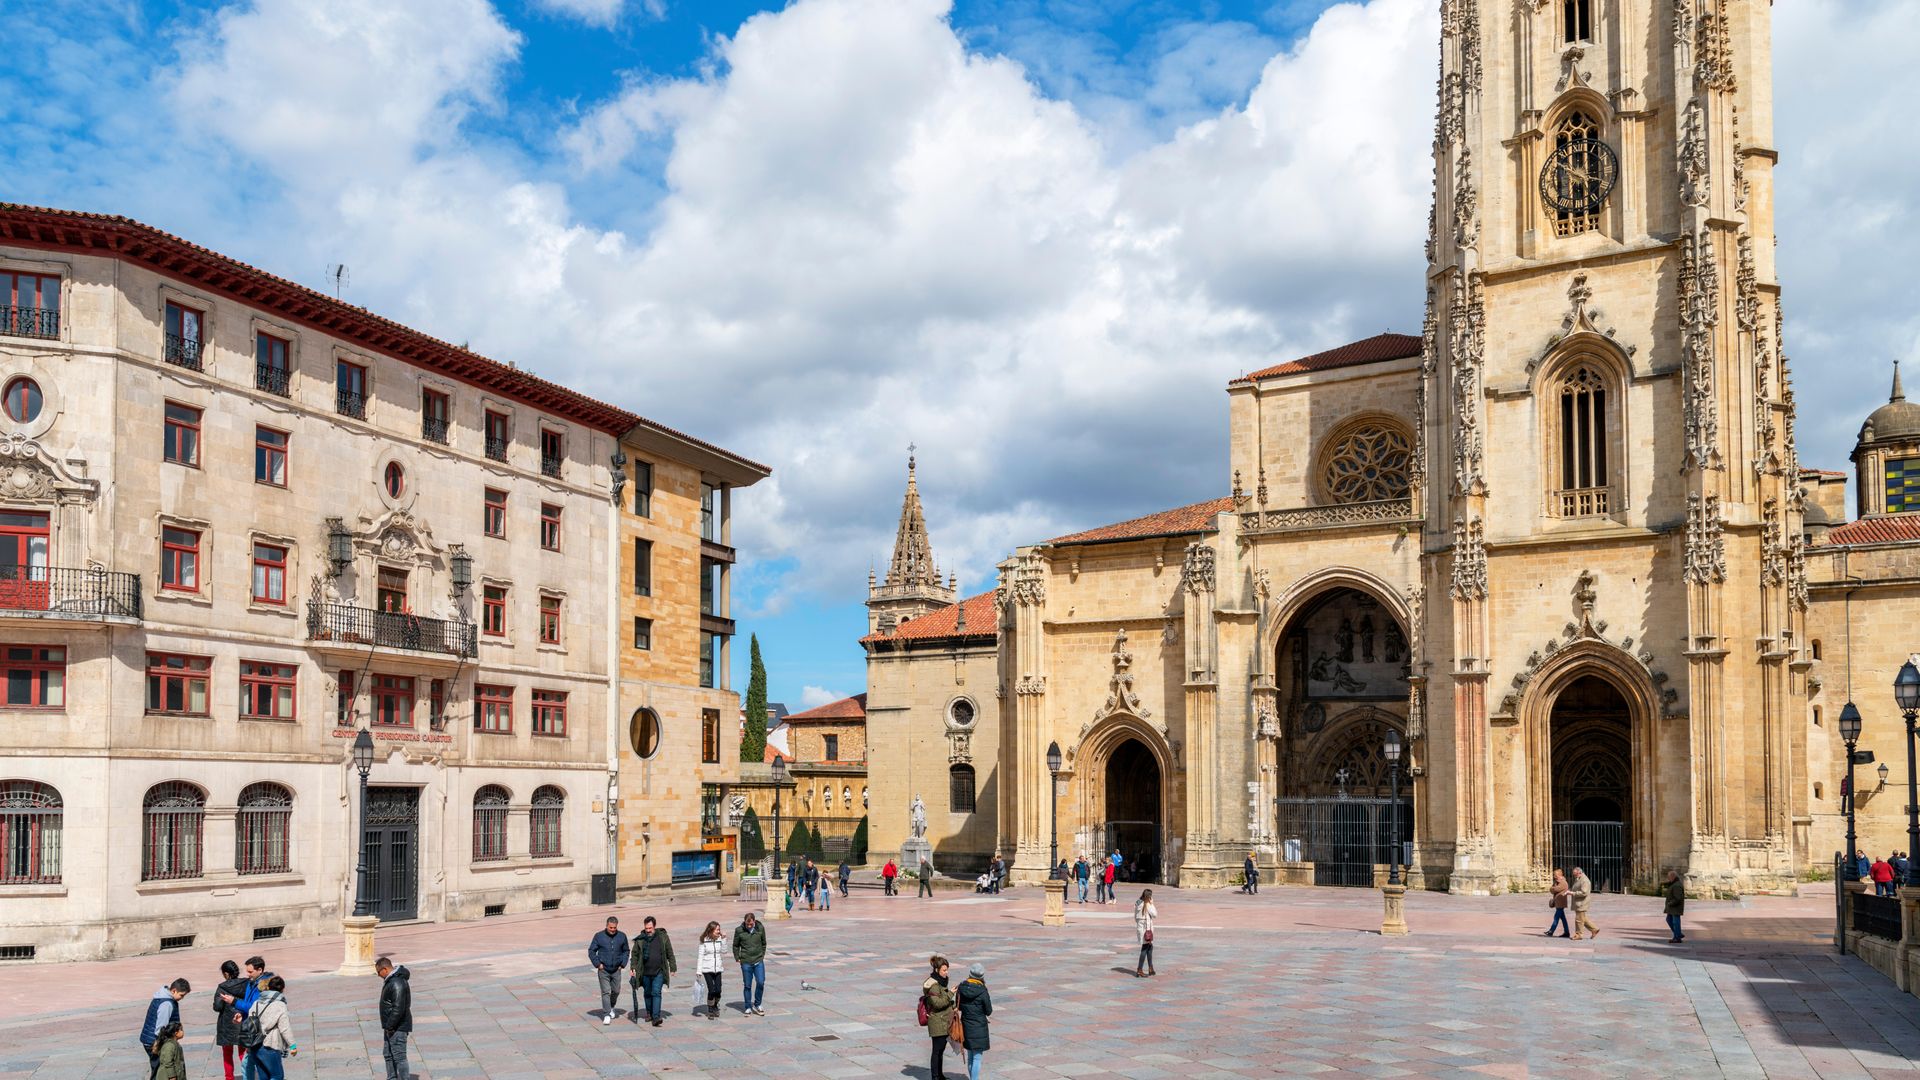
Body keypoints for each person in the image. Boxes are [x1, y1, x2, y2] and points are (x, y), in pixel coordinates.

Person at [138, 979, 191, 1080]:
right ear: (174, 991)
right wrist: (161, 1044)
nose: (182, 998)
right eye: (181, 995)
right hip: (155, 1042)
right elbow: (161, 1028)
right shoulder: (167, 1004)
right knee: (160, 1072)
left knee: (158, 1070)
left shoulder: (161, 997)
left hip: (149, 1039)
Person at [634, 916, 677, 1026]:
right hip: (645, 972)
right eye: (646, 928)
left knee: (656, 993)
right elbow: (634, 954)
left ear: (654, 926)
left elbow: (669, 952)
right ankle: (649, 1012)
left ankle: (656, 1017)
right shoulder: (640, 939)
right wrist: (632, 968)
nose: (648, 930)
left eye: (650, 928)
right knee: (648, 993)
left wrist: (673, 967)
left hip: (659, 971)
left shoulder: (662, 937)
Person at [249, 976, 295, 1080]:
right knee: (277, 1076)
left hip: (255, 1045)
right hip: (270, 1045)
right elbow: (285, 1028)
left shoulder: (256, 1003)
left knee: (263, 1077)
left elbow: (250, 1021)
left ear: (268, 987)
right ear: (282, 989)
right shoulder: (280, 1005)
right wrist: (292, 1045)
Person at [588, 916, 630, 1025]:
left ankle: (611, 1006)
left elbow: (626, 950)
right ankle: (606, 1014)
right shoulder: (599, 936)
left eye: (614, 928)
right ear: (606, 926)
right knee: (606, 992)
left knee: (616, 991)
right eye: (611, 928)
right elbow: (591, 951)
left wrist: (623, 963)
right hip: (604, 970)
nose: (612, 930)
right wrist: (598, 964)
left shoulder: (622, 936)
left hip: (616, 969)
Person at [214, 960, 252, 1080]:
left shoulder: (222, 987)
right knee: (243, 1053)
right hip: (243, 1021)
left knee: (227, 1054)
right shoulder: (247, 984)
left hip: (227, 1025)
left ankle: (229, 1077)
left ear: (226, 973)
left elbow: (217, 1007)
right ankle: (248, 1075)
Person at [376, 956, 412, 1080]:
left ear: (385, 969)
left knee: (399, 1057)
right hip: (390, 1027)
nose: (378, 975)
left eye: (378, 972)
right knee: (388, 1054)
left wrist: (390, 1026)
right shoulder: (392, 981)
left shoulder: (397, 983)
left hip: (397, 1027)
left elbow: (399, 1008)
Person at [922, 955, 957, 1080]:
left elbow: (944, 1002)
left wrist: (953, 1006)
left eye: (947, 969)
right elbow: (937, 1003)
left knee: (941, 1050)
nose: (946, 972)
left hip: (943, 1020)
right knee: (937, 1051)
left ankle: (940, 1075)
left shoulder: (941, 982)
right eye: (944, 970)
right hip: (937, 1021)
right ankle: (935, 1076)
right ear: (937, 970)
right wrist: (951, 993)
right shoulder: (934, 985)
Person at [956, 962, 993, 1080]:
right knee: (977, 1057)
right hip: (979, 1027)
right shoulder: (982, 990)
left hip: (966, 1025)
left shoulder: (961, 987)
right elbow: (988, 1010)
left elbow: (959, 1006)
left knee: (970, 1056)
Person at [731, 912, 767, 1016]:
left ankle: (757, 1003)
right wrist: (737, 957)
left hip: (758, 960)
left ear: (754, 922)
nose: (749, 926)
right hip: (746, 961)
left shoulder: (760, 928)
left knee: (760, 982)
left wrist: (762, 955)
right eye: (747, 924)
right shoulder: (739, 930)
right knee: (747, 985)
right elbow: (735, 945)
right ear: (744, 922)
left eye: (751, 924)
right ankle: (747, 1006)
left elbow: (764, 943)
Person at [696, 921, 727, 1019]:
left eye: (719, 929)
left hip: (718, 968)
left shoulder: (719, 939)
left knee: (718, 990)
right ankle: (710, 1008)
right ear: (711, 930)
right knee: (712, 990)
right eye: (717, 930)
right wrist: (698, 971)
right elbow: (700, 956)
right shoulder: (704, 940)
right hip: (707, 969)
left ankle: (715, 1005)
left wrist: (724, 939)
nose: (719, 931)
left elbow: (724, 951)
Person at [1133, 889, 1158, 977]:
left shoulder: (1138, 902)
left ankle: (1150, 968)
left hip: (1141, 928)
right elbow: (1155, 914)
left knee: (1149, 947)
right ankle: (1139, 969)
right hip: (1146, 929)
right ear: (1149, 896)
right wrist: (1152, 904)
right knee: (1145, 949)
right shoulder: (1147, 904)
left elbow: (1135, 917)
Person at [1569, 867, 1599, 940]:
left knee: (1579, 919)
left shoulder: (1585, 880)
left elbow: (1584, 892)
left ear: (1579, 872)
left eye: (1575, 874)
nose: (1574, 876)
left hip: (1582, 903)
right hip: (1578, 902)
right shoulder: (1579, 879)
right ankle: (1594, 929)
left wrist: (1572, 893)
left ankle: (1578, 934)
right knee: (1582, 918)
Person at [1545, 868, 1571, 938]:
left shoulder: (1563, 882)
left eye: (1555, 875)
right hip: (1557, 902)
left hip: (1561, 903)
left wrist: (1553, 888)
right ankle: (1567, 932)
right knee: (1563, 918)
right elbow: (1552, 889)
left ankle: (1551, 931)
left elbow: (1555, 889)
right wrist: (1552, 888)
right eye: (1554, 875)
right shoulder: (1556, 882)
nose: (1554, 876)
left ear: (1559, 875)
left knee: (1556, 917)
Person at [1663, 870, 1686, 944]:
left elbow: (1678, 898)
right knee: (1669, 919)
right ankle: (1678, 934)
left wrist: (1670, 903)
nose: (1668, 878)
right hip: (1673, 908)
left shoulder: (1677, 885)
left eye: (1669, 877)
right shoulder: (1674, 883)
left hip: (1675, 908)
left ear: (1673, 876)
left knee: (1675, 922)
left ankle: (1677, 937)